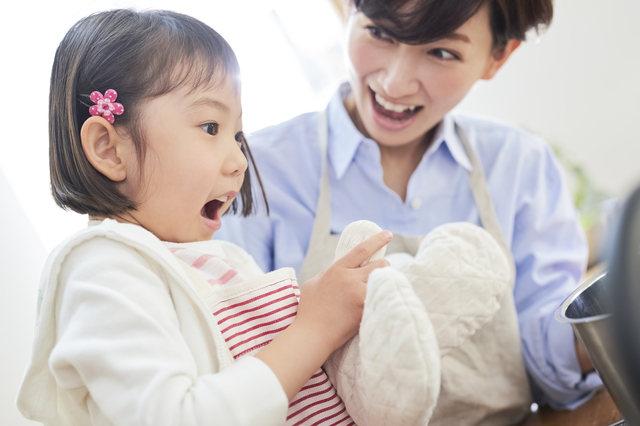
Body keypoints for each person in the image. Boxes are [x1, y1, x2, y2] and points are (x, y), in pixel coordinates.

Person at [215, 0, 604, 421]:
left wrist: (605, 330)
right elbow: (236, 368)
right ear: (347, 10)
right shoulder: (254, 169)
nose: (396, 84)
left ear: (498, 56)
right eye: (380, 32)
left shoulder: (520, 165)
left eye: (441, 52)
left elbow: (548, 363)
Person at [15, 9, 394, 425]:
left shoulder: (228, 262)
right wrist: (316, 328)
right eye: (211, 127)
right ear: (108, 147)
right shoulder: (101, 268)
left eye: (238, 135)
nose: (239, 161)